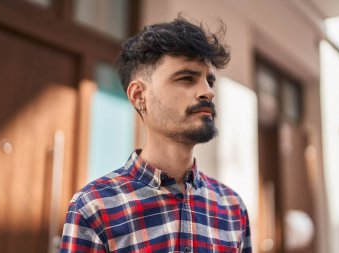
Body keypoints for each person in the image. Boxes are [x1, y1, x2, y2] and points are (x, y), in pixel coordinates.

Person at [60, 16, 251, 253]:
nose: (208, 92)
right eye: (187, 78)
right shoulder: (94, 208)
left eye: (209, 80)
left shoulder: (232, 208)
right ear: (139, 96)